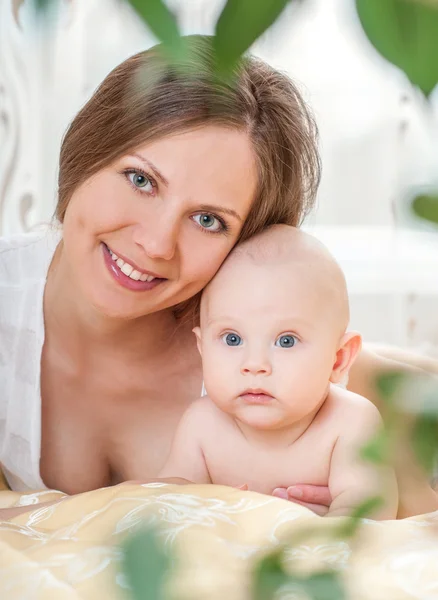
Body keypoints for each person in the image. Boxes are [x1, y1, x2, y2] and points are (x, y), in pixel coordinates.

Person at [0, 36, 436, 520]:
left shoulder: (300, 377)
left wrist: (343, 522)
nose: (157, 243)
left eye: (209, 220)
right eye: (141, 180)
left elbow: (414, 547)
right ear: (88, 149)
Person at [159, 225, 398, 519]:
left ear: (338, 360)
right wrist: (211, 517)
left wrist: (325, 533)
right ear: (202, 347)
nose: (255, 364)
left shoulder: (348, 422)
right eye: (232, 339)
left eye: (286, 341)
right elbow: (166, 506)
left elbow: (367, 515)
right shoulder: (201, 425)